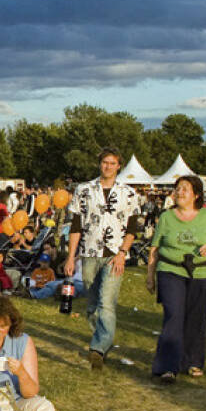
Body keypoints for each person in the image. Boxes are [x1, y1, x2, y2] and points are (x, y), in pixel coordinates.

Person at [63, 149, 143, 369]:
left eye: (112, 163)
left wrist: (123, 252)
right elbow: (76, 226)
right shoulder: (84, 190)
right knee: (92, 306)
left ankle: (98, 348)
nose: (108, 166)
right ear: (99, 164)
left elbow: (132, 227)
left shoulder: (128, 193)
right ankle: (101, 338)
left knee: (106, 303)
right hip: (89, 253)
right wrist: (71, 257)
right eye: (104, 162)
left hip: (114, 255)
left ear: (119, 166)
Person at [144, 174, 206, 383]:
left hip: (202, 272)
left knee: (196, 318)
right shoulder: (166, 217)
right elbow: (155, 247)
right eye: (178, 188)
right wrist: (150, 276)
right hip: (171, 270)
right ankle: (167, 367)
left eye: (185, 189)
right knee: (173, 315)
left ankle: (193, 361)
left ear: (196, 195)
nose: (179, 192)